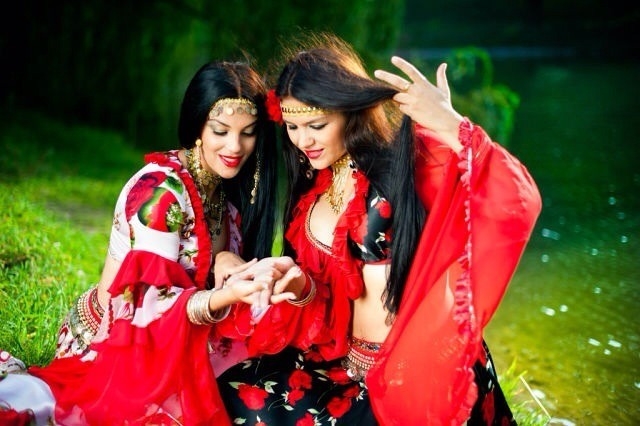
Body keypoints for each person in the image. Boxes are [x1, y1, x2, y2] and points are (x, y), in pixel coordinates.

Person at [214, 33, 542, 425]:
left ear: (348, 110)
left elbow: (513, 196)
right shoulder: (312, 185)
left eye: (316, 125)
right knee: (232, 392)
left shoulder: (406, 162)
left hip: (412, 372)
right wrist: (300, 286)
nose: (303, 140)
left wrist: (450, 124)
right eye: (292, 127)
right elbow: (331, 302)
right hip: (344, 367)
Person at [0, 60, 306, 425]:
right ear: (197, 126)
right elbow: (147, 307)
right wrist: (226, 294)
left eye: (248, 133)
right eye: (220, 131)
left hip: (180, 341)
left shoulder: (224, 195)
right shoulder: (160, 194)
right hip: (118, 348)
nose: (235, 146)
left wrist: (227, 260)